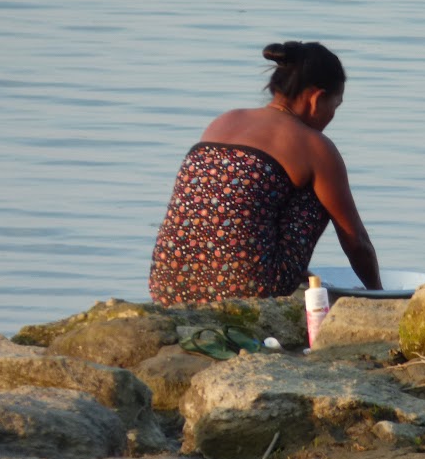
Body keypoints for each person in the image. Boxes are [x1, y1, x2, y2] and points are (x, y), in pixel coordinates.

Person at [149, 41, 382, 305]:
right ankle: (273, 274)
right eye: (335, 107)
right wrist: (378, 293)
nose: (331, 117)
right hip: (244, 288)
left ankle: (268, 266)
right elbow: (356, 241)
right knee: (320, 189)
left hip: (168, 284)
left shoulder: (224, 120)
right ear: (316, 99)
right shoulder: (314, 145)